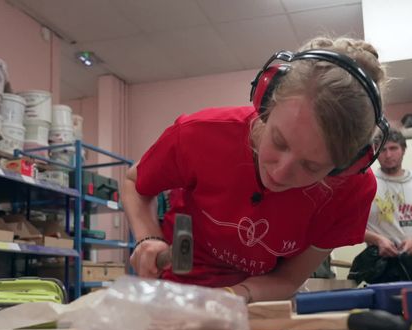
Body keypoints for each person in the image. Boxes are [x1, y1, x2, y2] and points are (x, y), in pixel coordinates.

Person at [122, 36, 390, 303]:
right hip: (178, 288)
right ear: (266, 101)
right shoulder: (200, 134)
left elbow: (289, 278)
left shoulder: (352, 188)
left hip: (260, 298)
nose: (280, 173)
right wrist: (147, 237)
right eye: (278, 141)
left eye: (311, 166)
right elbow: (134, 183)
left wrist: (231, 297)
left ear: (347, 165)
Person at [362, 129, 412, 281]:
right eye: (383, 150)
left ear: (404, 150)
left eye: (393, 148)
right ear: (376, 153)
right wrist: (378, 240)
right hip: (381, 269)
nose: (388, 155)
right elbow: (349, 228)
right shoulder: (367, 184)